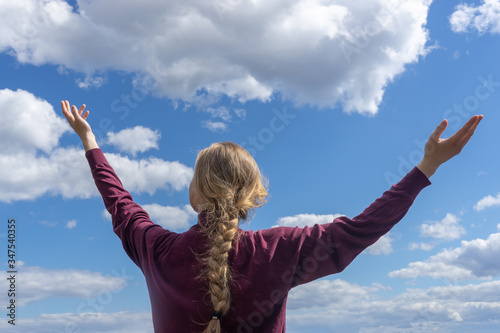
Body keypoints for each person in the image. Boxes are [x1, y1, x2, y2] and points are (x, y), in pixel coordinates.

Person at [61, 100, 483, 333]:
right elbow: (361, 229)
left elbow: (119, 202)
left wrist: (90, 140)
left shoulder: (156, 249)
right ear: (251, 194)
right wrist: (426, 167)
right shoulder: (281, 250)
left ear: (194, 192)